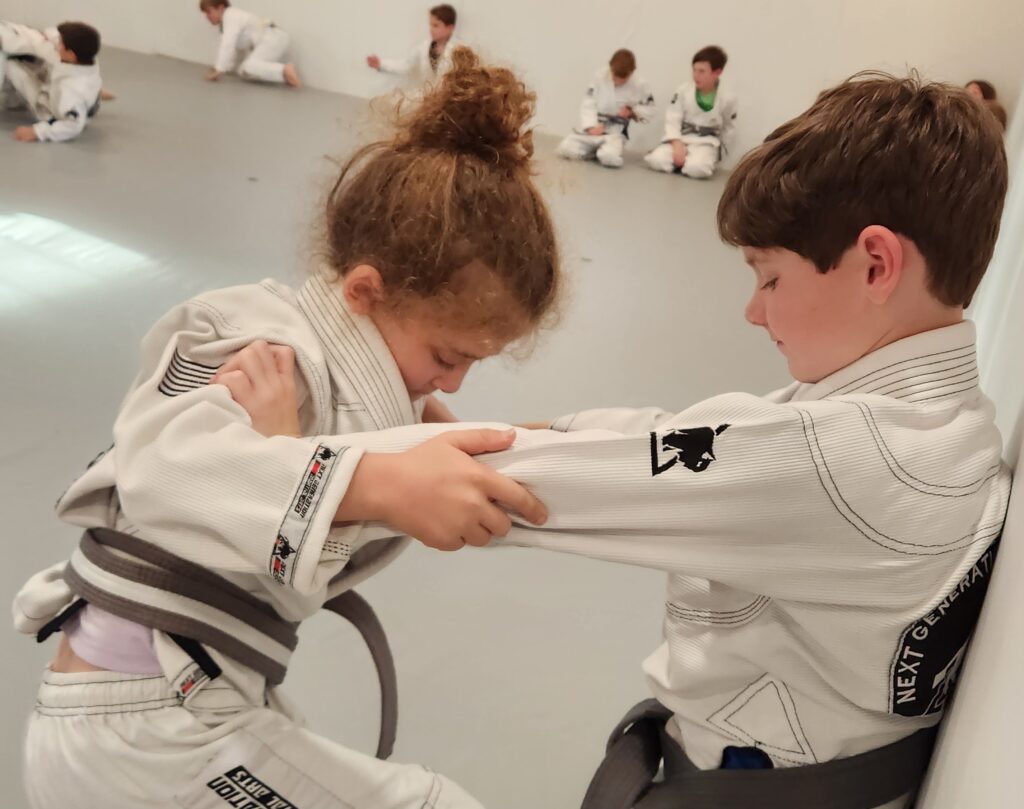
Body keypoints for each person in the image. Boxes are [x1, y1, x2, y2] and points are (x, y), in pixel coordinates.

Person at [232, 72, 1010, 809]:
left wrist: (292, 461)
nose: (753, 311)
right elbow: (668, 442)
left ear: (876, 262)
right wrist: (442, 427)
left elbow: (539, 485)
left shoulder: (846, 459)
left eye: (769, 278)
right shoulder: (947, 424)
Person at [14, 47, 558, 809]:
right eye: (447, 354)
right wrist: (361, 474)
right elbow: (161, 464)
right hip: (142, 727)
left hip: (178, 705)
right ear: (366, 290)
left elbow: (379, 453)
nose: (452, 382)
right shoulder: (265, 351)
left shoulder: (358, 381)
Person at [0, 20, 102, 143]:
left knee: (11, 66)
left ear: (70, 54)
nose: (56, 44)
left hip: (48, 109)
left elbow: (73, 126)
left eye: (60, 43)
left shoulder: (71, 91)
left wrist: (37, 132)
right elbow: (52, 37)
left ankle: (15, 99)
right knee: (39, 48)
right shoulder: (84, 59)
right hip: (58, 91)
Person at [645, 45, 737, 178]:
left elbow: (729, 127)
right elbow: (673, 118)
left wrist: (720, 153)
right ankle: (682, 162)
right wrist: (676, 144)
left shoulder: (728, 98)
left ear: (717, 72)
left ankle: (689, 163)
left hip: (706, 142)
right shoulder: (683, 91)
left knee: (697, 169)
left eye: (702, 71)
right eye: (694, 70)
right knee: (656, 160)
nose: (696, 75)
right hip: (682, 138)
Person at [555, 48, 655, 169]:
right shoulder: (599, 76)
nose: (616, 81)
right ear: (610, 67)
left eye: (622, 79)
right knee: (565, 148)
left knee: (609, 157)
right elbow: (588, 102)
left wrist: (632, 112)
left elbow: (650, 110)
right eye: (614, 77)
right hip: (594, 128)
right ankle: (592, 153)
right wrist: (591, 126)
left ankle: (599, 153)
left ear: (632, 72)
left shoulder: (640, 84)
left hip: (614, 132)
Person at [199, 0, 301, 87]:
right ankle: (285, 75)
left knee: (248, 67)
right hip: (272, 39)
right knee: (243, 71)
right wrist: (223, 67)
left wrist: (219, 69)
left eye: (209, 12)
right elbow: (232, 48)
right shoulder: (228, 20)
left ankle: (285, 70)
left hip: (272, 39)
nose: (207, 17)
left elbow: (228, 44)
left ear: (220, 8)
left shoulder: (230, 15)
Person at [367, 4, 459, 85]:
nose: (431, 29)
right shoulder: (423, 48)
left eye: (436, 25)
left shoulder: (460, 50)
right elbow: (406, 66)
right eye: (430, 25)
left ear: (450, 28)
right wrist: (381, 64)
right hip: (428, 100)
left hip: (450, 101)